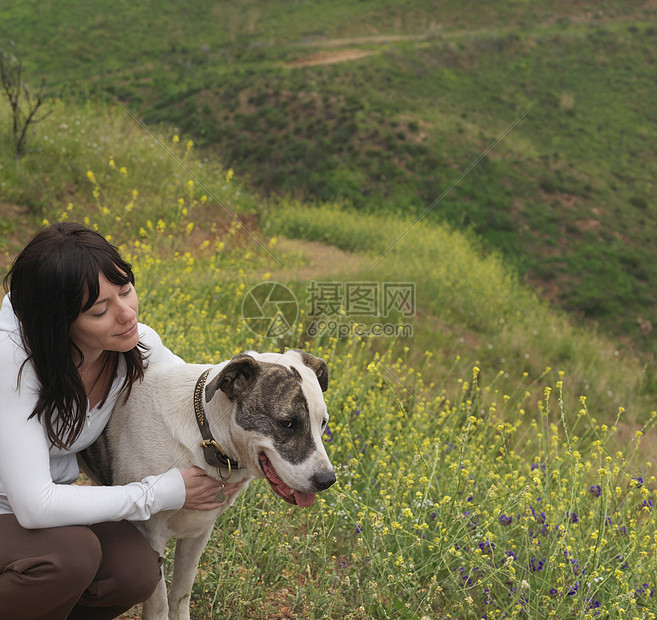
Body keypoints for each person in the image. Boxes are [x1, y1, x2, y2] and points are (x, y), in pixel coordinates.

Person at [0, 222, 225, 620]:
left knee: (135, 571)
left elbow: (196, 394)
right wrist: (159, 492)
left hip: (43, 512)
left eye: (125, 290)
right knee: (71, 557)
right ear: (57, 323)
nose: (127, 314)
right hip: (19, 511)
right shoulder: (13, 362)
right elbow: (36, 506)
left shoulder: (135, 346)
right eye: (100, 310)